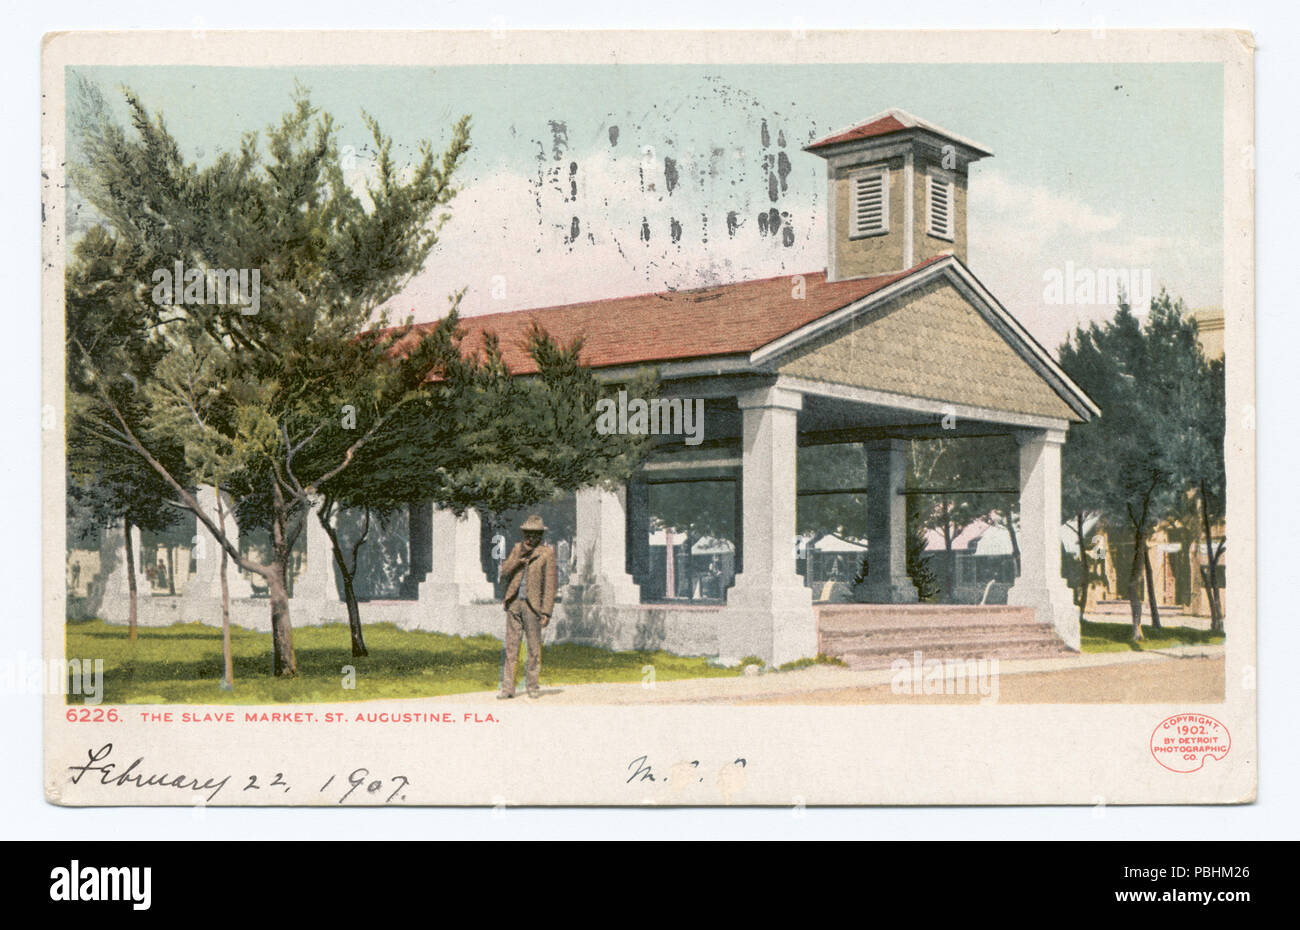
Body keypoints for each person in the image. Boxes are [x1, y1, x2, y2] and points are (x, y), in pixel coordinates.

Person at [498, 514, 556, 700]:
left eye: (535, 535)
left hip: (533, 606)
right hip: (514, 602)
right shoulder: (516, 549)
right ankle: (508, 688)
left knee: (533, 648)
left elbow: (550, 585)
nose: (531, 538)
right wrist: (518, 560)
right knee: (511, 647)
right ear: (523, 534)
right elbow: (504, 572)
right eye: (528, 534)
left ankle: (532, 686)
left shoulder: (546, 554)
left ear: (541, 536)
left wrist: (546, 611)